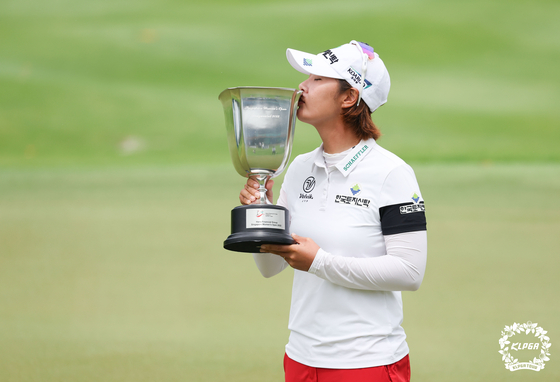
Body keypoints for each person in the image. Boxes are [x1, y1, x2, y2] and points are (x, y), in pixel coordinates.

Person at [239, 41, 427, 382]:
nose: (302, 87)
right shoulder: (297, 168)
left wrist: (319, 262)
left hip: (366, 363)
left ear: (349, 97)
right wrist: (261, 218)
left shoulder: (391, 173)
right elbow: (271, 267)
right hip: (300, 358)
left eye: (317, 79)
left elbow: (410, 272)